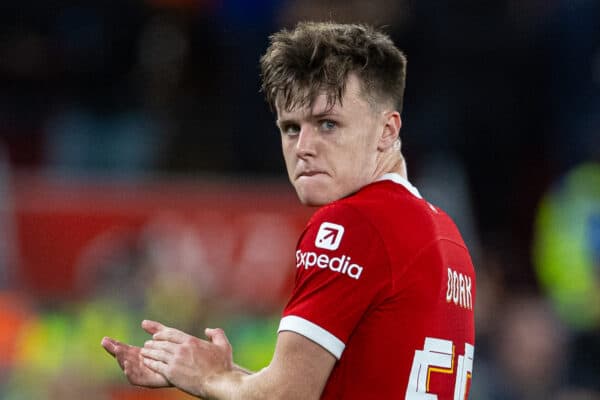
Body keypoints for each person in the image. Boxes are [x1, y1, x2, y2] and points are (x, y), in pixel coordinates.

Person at [102, 21, 476, 399]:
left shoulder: (353, 224)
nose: (303, 147)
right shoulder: (447, 237)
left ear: (387, 131)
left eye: (328, 124)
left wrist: (208, 379)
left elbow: (284, 396)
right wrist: (224, 374)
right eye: (291, 128)